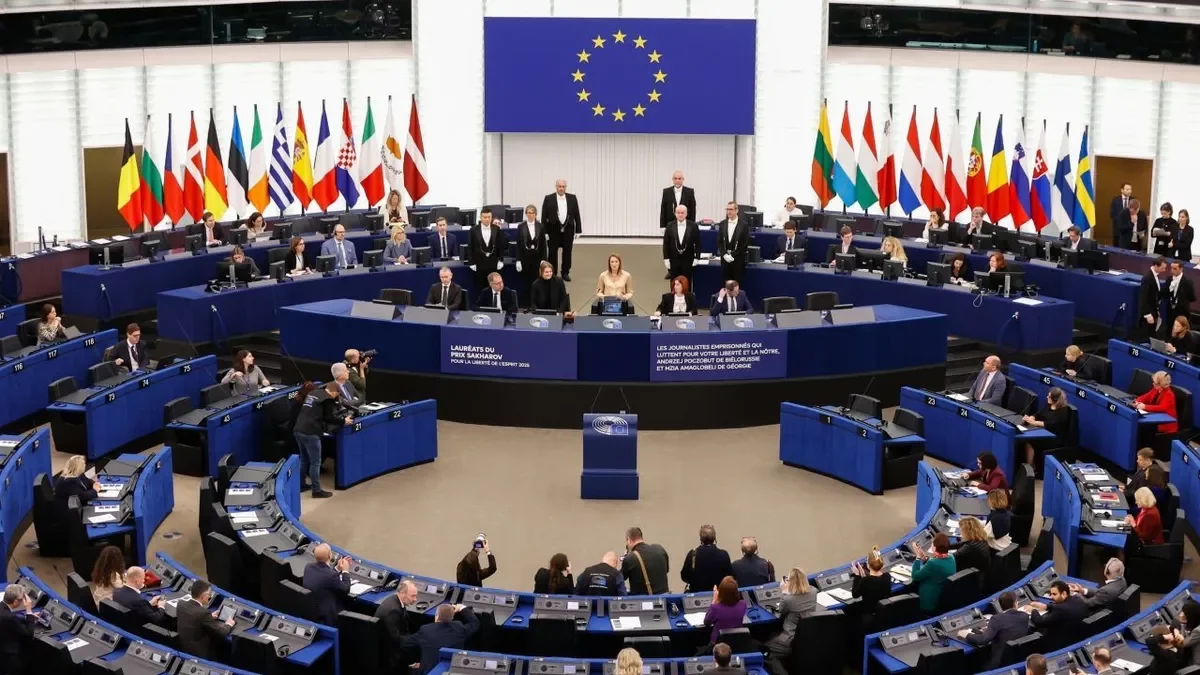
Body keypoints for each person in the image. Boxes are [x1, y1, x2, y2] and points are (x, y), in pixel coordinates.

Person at [294, 381, 352, 498]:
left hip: (298, 429)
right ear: (334, 392)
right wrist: (343, 421)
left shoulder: (314, 393)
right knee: (315, 462)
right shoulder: (327, 400)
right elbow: (329, 418)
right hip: (311, 433)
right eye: (337, 394)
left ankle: (301, 485)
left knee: (304, 459)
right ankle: (316, 490)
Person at [959, 591, 1030, 670]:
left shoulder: (996, 619)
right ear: (1015, 603)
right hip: (1018, 658)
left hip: (1000, 663)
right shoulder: (1025, 616)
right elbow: (1009, 629)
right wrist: (989, 630)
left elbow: (983, 640)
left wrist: (966, 634)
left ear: (1000, 605)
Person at [764, 567, 816, 674]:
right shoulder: (814, 592)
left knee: (767, 652)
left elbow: (781, 611)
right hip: (807, 637)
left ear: (791, 582)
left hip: (789, 639)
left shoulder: (788, 599)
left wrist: (784, 591)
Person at [175, 580, 235, 661]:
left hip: (184, 647)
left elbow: (194, 618)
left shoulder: (181, 604)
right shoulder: (203, 613)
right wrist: (229, 624)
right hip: (200, 653)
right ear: (203, 596)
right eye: (209, 595)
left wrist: (209, 617)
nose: (210, 597)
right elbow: (221, 633)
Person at [413, 604, 479, 674]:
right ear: (452, 617)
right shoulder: (459, 628)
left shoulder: (425, 630)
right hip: (454, 670)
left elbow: (409, 644)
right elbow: (475, 623)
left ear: (437, 615)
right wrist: (462, 608)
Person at [541, 179, 582, 281]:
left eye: (563, 186)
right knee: (552, 252)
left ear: (565, 187)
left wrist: (578, 230)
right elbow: (543, 216)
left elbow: (577, 214)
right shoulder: (548, 198)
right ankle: (552, 272)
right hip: (553, 230)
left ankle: (565, 272)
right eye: (559, 186)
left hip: (568, 229)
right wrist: (544, 231)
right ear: (556, 187)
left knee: (567, 251)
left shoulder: (572, 198)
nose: (561, 188)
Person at [302, 542, 352, 625]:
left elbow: (325, 576)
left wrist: (337, 568)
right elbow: (346, 589)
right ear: (330, 556)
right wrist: (345, 571)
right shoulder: (331, 575)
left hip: (312, 609)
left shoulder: (308, 567)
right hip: (327, 615)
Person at [1022, 387, 1072, 467]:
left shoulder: (1063, 411)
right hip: (1043, 433)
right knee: (1026, 439)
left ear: (1055, 399)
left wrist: (1034, 423)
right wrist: (1032, 417)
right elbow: (1038, 414)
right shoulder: (1048, 406)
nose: (1047, 397)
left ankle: (1030, 467)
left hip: (1054, 438)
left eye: (1049, 396)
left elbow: (1051, 424)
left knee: (1030, 441)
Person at [375, 579, 418, 671]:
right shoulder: (393, 611)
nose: (415, 599)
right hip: (388, 657)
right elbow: (396, 640)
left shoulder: (395, 601)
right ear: (402, 593)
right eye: (413, 596)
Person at [909, 532, 955, 614]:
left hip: (929, 601)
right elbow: (936, 567)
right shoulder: (951, 557)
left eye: (932, 544)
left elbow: (915, 576)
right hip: (941, 596)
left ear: (935, 547)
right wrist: (925, 558)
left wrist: (918, 557)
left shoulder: (933, 563)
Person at [681, 524, 733, 593]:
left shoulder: (692, 554)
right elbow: (729, 576)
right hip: (718, 595)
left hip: (697, 596)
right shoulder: (723, 555)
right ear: (714, 538)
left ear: (701, 538)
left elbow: (684, 576)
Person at [0, 585, 37, 675]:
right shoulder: (10, 618)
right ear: (16, 601)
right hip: (7, 658)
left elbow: (10, 618)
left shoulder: (2, 608)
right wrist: (28, 610)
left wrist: (29, 617)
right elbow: (28, 634)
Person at [621, 526, 670, 594]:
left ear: (629, 540)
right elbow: (666, 570)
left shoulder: (630, 558)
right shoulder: (659, 548)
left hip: (645, 600)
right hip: (665, 598)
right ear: (641, 537)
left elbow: (620, 578)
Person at [702, 576, 746, 648]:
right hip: (737, 642)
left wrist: (714, 601)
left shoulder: (715, 608)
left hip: (717, 644)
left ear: (721, 592)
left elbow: (706, 622)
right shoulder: (743, 605)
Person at [663, 204, 701, 286]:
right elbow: (666, 244)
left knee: (687, 283)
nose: (680, 215)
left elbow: (698, 243)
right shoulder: (670, 225)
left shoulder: (693, 226)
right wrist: (666, 259)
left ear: (686, 214)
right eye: (678, 212)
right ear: (675, 214)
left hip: (688, 260)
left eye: (682, 213)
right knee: (674, 283)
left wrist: (697, 257)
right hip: (674, 260)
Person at [468, 210, 507, 290]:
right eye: (485, 217)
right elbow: (470, 246)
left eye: (489, 217)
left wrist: (501, 260)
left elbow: (500, 245)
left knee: (494, 286)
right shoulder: (474, 230)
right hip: (479, 264)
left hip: (493, 263)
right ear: (481, 218)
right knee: (480, 287)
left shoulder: (496, 229)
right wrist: (471, 262)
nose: (487, 219)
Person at [516, 204, 547, 295]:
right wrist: (518, 260)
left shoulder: (540, 226)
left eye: (533, 213)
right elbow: (518, 244)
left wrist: (543, 259)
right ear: (526, 214)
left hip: (537, 259)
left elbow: (543, 244)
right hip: (525, 259)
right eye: (529, 213)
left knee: (537, 281)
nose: (531, 215)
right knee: (526, 282)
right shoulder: (521, 226)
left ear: (535, 214)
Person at [717, 201, 750, 284]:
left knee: (736, 285)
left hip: (737, 260)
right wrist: (724, 254)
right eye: (727, 209)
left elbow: (744, 244)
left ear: (737, 210)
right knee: (725, 284)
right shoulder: (722, 224)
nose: (729, 211)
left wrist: (732, 255)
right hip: (725, 261)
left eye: (731, 209)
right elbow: (719, 241)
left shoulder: (744, 225)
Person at [1138, 257, 1168, 342]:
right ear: (1155, 266)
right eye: (1162, 268)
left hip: (1154, 311)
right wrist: (1147, 314)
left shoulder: (1155, 276)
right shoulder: (1148, 278)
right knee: (1147, 336)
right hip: (1149, 314)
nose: (1164, 270)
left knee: (1152, 334)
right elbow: (1144, 297)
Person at [1166, 260, 1196, 330]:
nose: (1172, 271)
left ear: (1181, 269)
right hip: (1170, 310)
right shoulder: (1169, 279)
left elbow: (1192, 298)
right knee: (1169, 329)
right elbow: (1164, 294)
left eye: (1175, 269)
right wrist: (1170, 288)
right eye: (1171, 268)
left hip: (1182, 311)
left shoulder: (1188, 282)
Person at [1110, 183, 1133, 248]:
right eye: (1127, 189)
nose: (1130, 191)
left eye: (1130, 189)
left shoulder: (1133, 200)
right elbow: (1112, 214)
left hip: (1129, 229)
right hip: (1118, 229)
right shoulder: (1115, 200)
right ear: (1122, 190)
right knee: (1116, 248)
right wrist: (1121, 222)